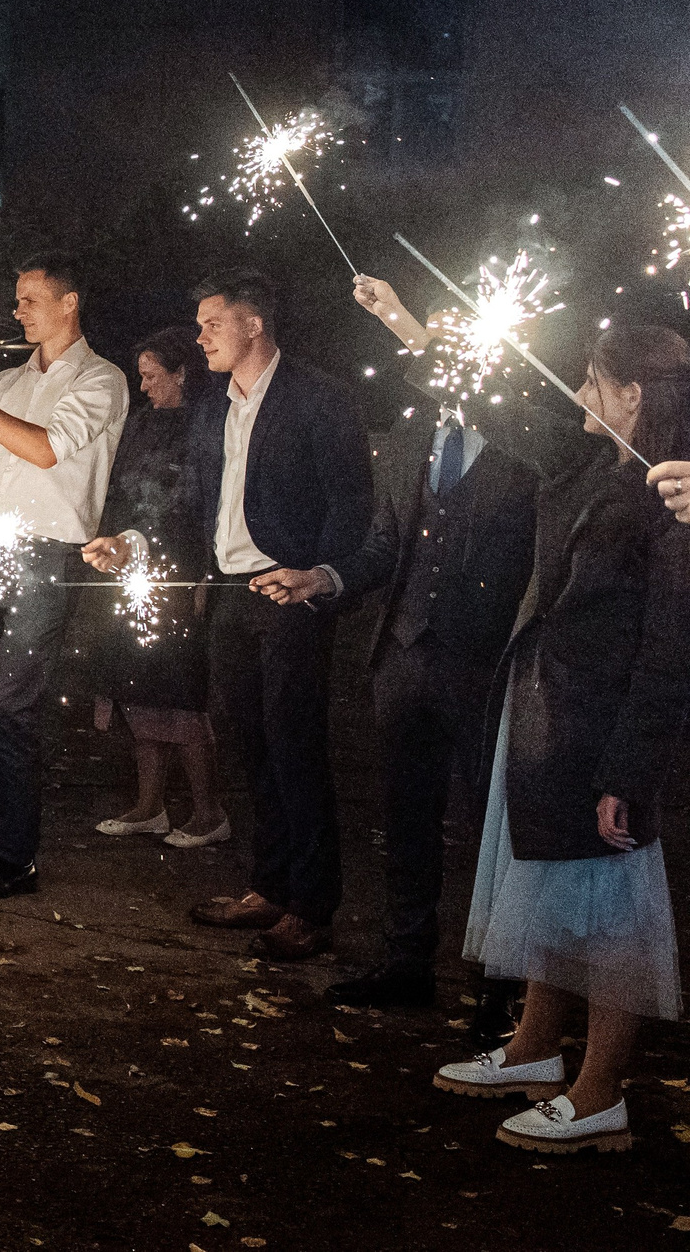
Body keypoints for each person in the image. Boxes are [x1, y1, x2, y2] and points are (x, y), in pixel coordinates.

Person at [390, 316, 689, 1153]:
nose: (579, 392)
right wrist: (420, 336)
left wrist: (628, 770)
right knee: (551, 899)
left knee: (610, 917)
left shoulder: (672, 499)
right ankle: (533, 1053)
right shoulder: (593, 462)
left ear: (634, 394)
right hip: (546, 723)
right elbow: (515, 416)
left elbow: (671, 651)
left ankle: (600, 1095)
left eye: (595, 380)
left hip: (603, 739)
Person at [247, 274, 541, 1007]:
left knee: (485, 830)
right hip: (403, 657)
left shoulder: (529, 444)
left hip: (484, 664)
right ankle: (407, 962)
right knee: (406, 820)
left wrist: (408, 319)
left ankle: (500, 992)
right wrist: (324, 577)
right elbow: (385, 546)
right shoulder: (413, 435)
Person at [0, 252, 129, 900]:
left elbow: (44, 448)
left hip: (48, 559)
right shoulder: (8, 380)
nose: (17, 310)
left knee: (11, 702)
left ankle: (17, 858)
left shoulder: (101, 379)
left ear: (69, 303)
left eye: (29, 299)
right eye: (15, 299)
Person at [180, 268, 373, 962]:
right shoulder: (212, 407)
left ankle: (312, 908)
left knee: (296, 748)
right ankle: (269, 886)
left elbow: (353, 505)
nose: (200, 336)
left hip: (289, 591)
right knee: (251, 746)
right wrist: (138, 541)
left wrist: (317, 576)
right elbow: (194, 502)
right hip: (231, 590)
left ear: (253, 324)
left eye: (212, 323)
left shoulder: (320, 399)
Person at [79, 326, 227, 848]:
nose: (142, 386)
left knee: (180, 696)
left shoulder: (209, 427)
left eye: (151, 375)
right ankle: (150, 806)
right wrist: (112, 542)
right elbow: (120, 492)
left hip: (179, 575)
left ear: (183, 372)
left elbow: (199, 509)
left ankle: (210, 812)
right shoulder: (140, 426)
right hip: (128, 570)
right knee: (135, 688)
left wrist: (203, 578)